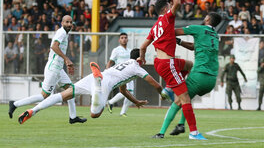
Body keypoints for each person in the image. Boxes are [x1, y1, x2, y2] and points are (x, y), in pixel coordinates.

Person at [138, 0, 206, 140]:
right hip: (168, 65)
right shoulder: (167, 18)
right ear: (166, 8)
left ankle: (169, 87)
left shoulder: (155, 27)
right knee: (185, 98)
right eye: (169, 6)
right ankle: (194, 133)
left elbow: (143, 45)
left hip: (161, 63)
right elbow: (177, 2)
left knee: (189, 65)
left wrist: (142, 57)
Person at [18, 49, 169, 124]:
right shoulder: (137, 67)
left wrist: (136, 102)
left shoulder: (124, 63)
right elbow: (154, 83)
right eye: (142, 57)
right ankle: (97, 88)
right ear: (138, 58)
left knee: (64, 95)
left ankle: (33, 110)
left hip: (97, 76)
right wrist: (163, 94)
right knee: (94, 115)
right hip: (104, 84)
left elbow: (123, 89)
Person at [153, 12, 222, 138]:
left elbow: (172, 32)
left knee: (179, 101)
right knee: (187, 99)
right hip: (211, 79)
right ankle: (181, 124)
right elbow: (192, 46)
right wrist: (179, 42)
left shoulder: (198, 28)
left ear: (207, 18)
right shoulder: (216, 36)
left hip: (199, 75)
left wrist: (157, 30)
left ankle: (161, 132)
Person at [8, 15, 86, 124]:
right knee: (43, 96)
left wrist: (65, 62)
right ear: (62, 23)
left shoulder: (64, 33)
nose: (69, 24)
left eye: (70, 22)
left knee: (71, 91)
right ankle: (15, 104)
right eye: (67, 22)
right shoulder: (62, 32)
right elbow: (54, 46)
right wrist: (66, 59)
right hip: (53, 68)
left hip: (58, 68)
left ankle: (73, 117)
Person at [106, 33, 134, 117]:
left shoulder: (130, 51)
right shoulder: (116, 50)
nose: (124, 39)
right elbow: (110, 61)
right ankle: (110, 102)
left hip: (130, 74)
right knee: (126, 92)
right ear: (119, 40)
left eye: (125, 38)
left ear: (127, 39)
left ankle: (122, 112)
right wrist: (107, 71)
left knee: (131, 94)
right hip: (120, 74)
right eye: (122, 38)